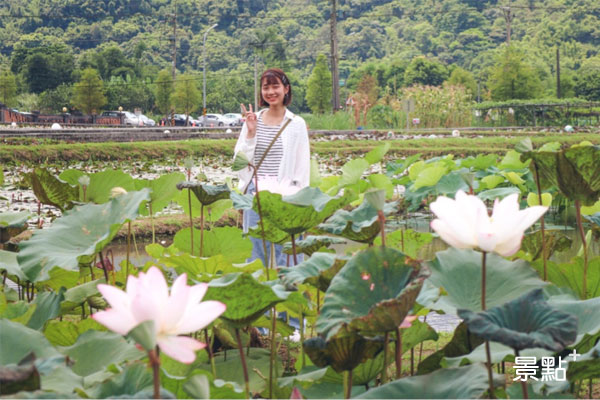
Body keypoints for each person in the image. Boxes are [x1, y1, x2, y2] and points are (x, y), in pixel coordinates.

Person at [234, 68, 310, 268]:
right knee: (255, 253)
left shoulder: (296, 124)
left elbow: (302, 167)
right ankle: (261, 295)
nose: (271, 92)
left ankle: (290, 295)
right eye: (266, 87)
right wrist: (251, 133)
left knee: (288, 253)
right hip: (255, 194)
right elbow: (239, 162)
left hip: (286, 194)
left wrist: (301, 200)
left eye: (275, 86)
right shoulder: (252, 120)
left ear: (286, 89)